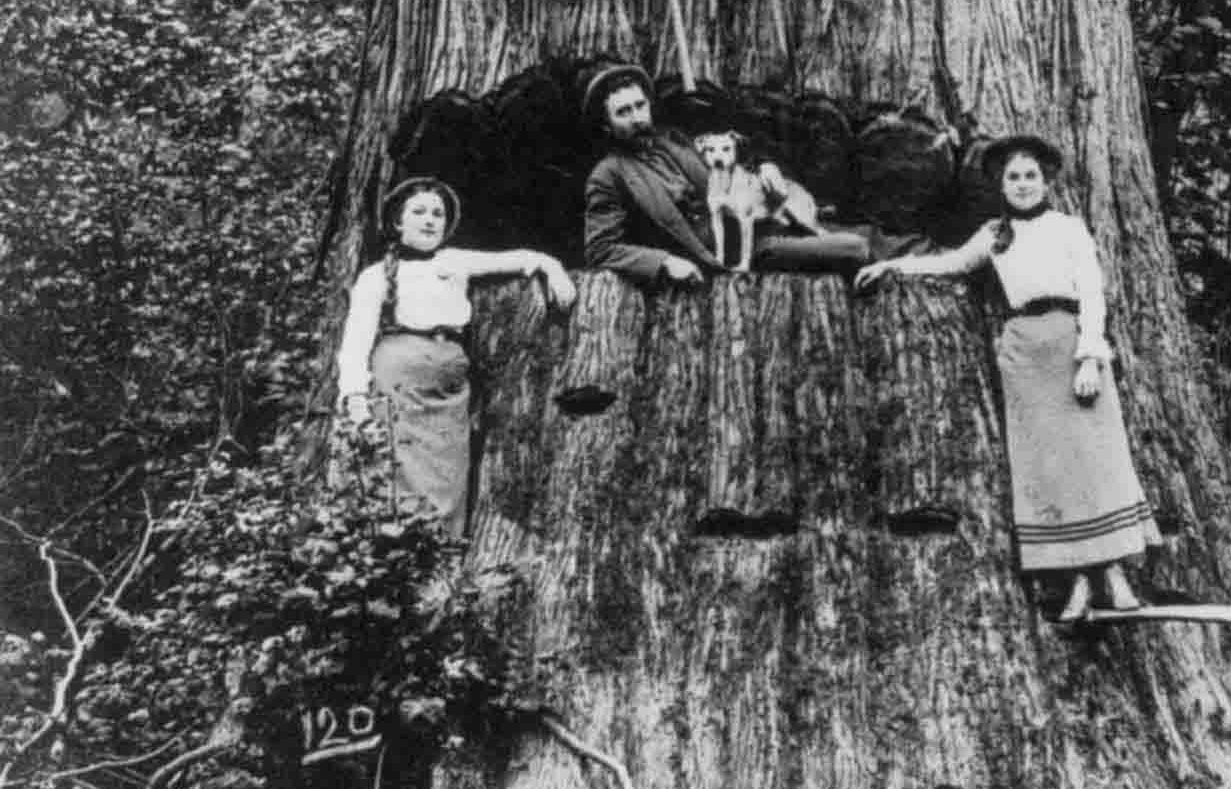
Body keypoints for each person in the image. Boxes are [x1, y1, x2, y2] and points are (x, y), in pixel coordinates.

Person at [856, 137, 1160, 621]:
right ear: (1001, 185)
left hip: (1070, 340)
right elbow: (949, 264)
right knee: (1049, 467)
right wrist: (893, 264)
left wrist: (1088, 356)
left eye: (1030, 176)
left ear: (1045, 182)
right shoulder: (994, 235)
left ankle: (1115, 576)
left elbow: (1093, 292)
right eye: (1013, 177)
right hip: (1023, 352)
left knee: (1095, 458)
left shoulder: (1068, 229)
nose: (1022, 185)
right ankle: (1077, 582)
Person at [337, 177, 575, 534]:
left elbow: (520, 259)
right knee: (397, 468)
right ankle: (396, 562)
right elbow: (355, 341)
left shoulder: (454, 261)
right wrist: (353, 396)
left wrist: (552, 267)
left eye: (438, 213)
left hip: (449, 388)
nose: (429, 220)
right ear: (398, 221)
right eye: (418, 212)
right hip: (398, 383)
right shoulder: (376, 276)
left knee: (447, 475)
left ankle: (441, 562)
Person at [582, 65, 879, 286]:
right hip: (741, 251)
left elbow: (736, 157)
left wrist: (766, 167)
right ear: (606, 125)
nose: (637, 117)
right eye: (623, 112)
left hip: (760, 218)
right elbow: (600, 249)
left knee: (872, 234)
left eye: (640, 105)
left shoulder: (674, 141)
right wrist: (664, 262)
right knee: (854, 247)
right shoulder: (608, 175)